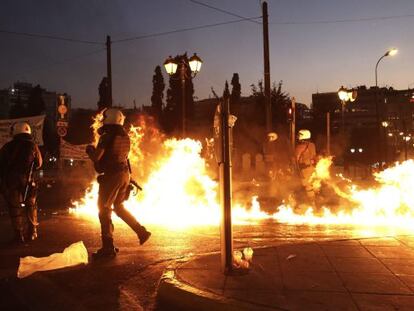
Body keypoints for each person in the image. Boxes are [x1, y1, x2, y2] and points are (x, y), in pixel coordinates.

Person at [86, 108, 151, 260]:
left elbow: (97, 157)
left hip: (112, 176)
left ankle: (108, 248)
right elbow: (126, 157)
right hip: (124, 175)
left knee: (104, 209)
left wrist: (89, 150)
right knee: (119, 207)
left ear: (109, 119)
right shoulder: (125, 135)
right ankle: (141, 232)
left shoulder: (107, 136)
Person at [0, 122, 42, 243]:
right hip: (29, 181)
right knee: (31, 206)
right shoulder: (33, 146)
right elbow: (39, 164)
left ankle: (19, 235)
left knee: (15, 208)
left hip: (11, 181)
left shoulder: (7, 147)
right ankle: (32, 232)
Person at [294, 129, 317, 203]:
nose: (298, 137)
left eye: (299, 135)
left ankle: (312, 204)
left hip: (304, 170)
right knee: (311, 186)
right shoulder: (312, 145)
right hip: (312, 168)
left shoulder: (300, 147)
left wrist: (297, 171)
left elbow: (295, 160)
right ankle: (315, 201)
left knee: (307, 186)